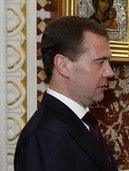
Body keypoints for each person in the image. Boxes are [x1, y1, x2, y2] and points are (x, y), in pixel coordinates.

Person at [14, 16, 117, 171]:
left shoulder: (81, 120)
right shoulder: (43, 136)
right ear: (63, 66)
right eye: (99, 62)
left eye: (108, 62)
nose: (110, 72)